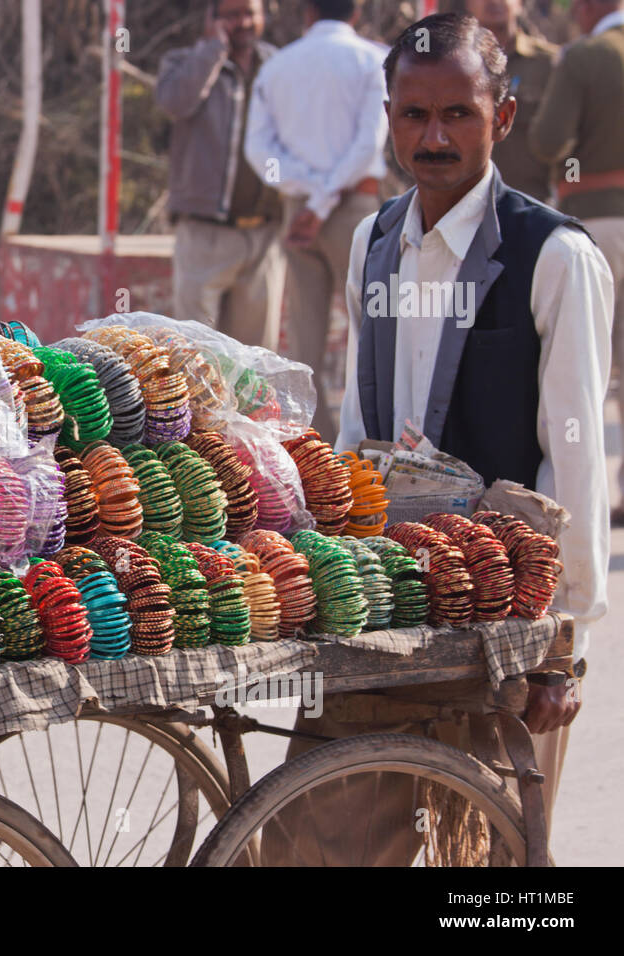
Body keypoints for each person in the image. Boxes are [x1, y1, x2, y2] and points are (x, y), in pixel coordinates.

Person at [268, 12, 612, 864]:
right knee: (313, 838)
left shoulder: (554, 257)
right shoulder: (374, 242)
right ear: (387, 116)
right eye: (412, 114)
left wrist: (563, 647)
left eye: (458, 113)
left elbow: (575, 457)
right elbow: (358, 428)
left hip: (506, 621)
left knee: (490, 866)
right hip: (388, 606)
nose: (433, 137)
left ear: (504, 116)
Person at [244, 0, 387, 441]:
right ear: (356, 12)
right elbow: (369, 145)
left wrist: (305, 192)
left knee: (305, 343)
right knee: (376, 333)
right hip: (355, 210)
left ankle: (318, 451)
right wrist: (324, 199)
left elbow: (259, 152)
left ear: (306, 13)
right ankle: (371, 446)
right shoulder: (374, 60)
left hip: (298, 215)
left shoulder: (278, 67)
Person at [529, 0, 624, 523]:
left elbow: (547, 142)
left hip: (598, 221)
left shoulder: (587, 57)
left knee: (586, 369)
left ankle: (585, 508)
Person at [156, 0, 285, 350]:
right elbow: (174, 103)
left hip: (263, 234)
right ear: (211, 19)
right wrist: (213, 50)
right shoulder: (185, 63)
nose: (242, 22)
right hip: (203, 233)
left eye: (249, 13)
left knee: (255, 361)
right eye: (231, 14)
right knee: (196, 356)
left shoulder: (278, 67)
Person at [466, 0, 560, 202]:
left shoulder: (550, 63)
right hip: (467, 204)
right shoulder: (453, 65)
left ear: (521, 3)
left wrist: (570, 186)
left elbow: (570, 140)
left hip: (534, 204)